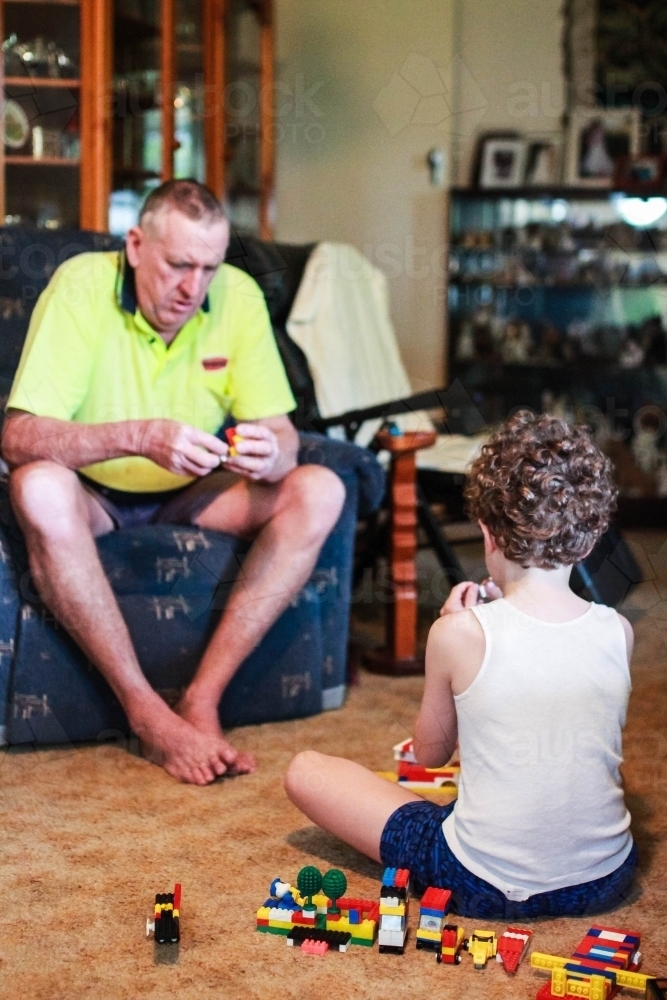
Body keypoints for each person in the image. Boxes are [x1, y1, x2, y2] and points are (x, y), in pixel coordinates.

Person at [2, 179, 345, 786]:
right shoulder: (81, 286)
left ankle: (202, 699)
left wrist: (272, 453)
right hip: (95, 497)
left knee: (320, 488)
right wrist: (136, 436)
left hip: (194, 495)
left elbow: (284, 436)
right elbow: (19, 436)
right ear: (136, 246)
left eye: (208, 267)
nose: (193, 288)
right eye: (179, 264)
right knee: (37, 487)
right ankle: (146, 712)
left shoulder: (236, 296)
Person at [285, 412, 637, 919]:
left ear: (488, 534)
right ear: (588, 539)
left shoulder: (457, 633)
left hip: (480, 882)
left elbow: (430, 754)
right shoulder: (617, 631)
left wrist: (453, 632)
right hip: (604, 879)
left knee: (306, 771)